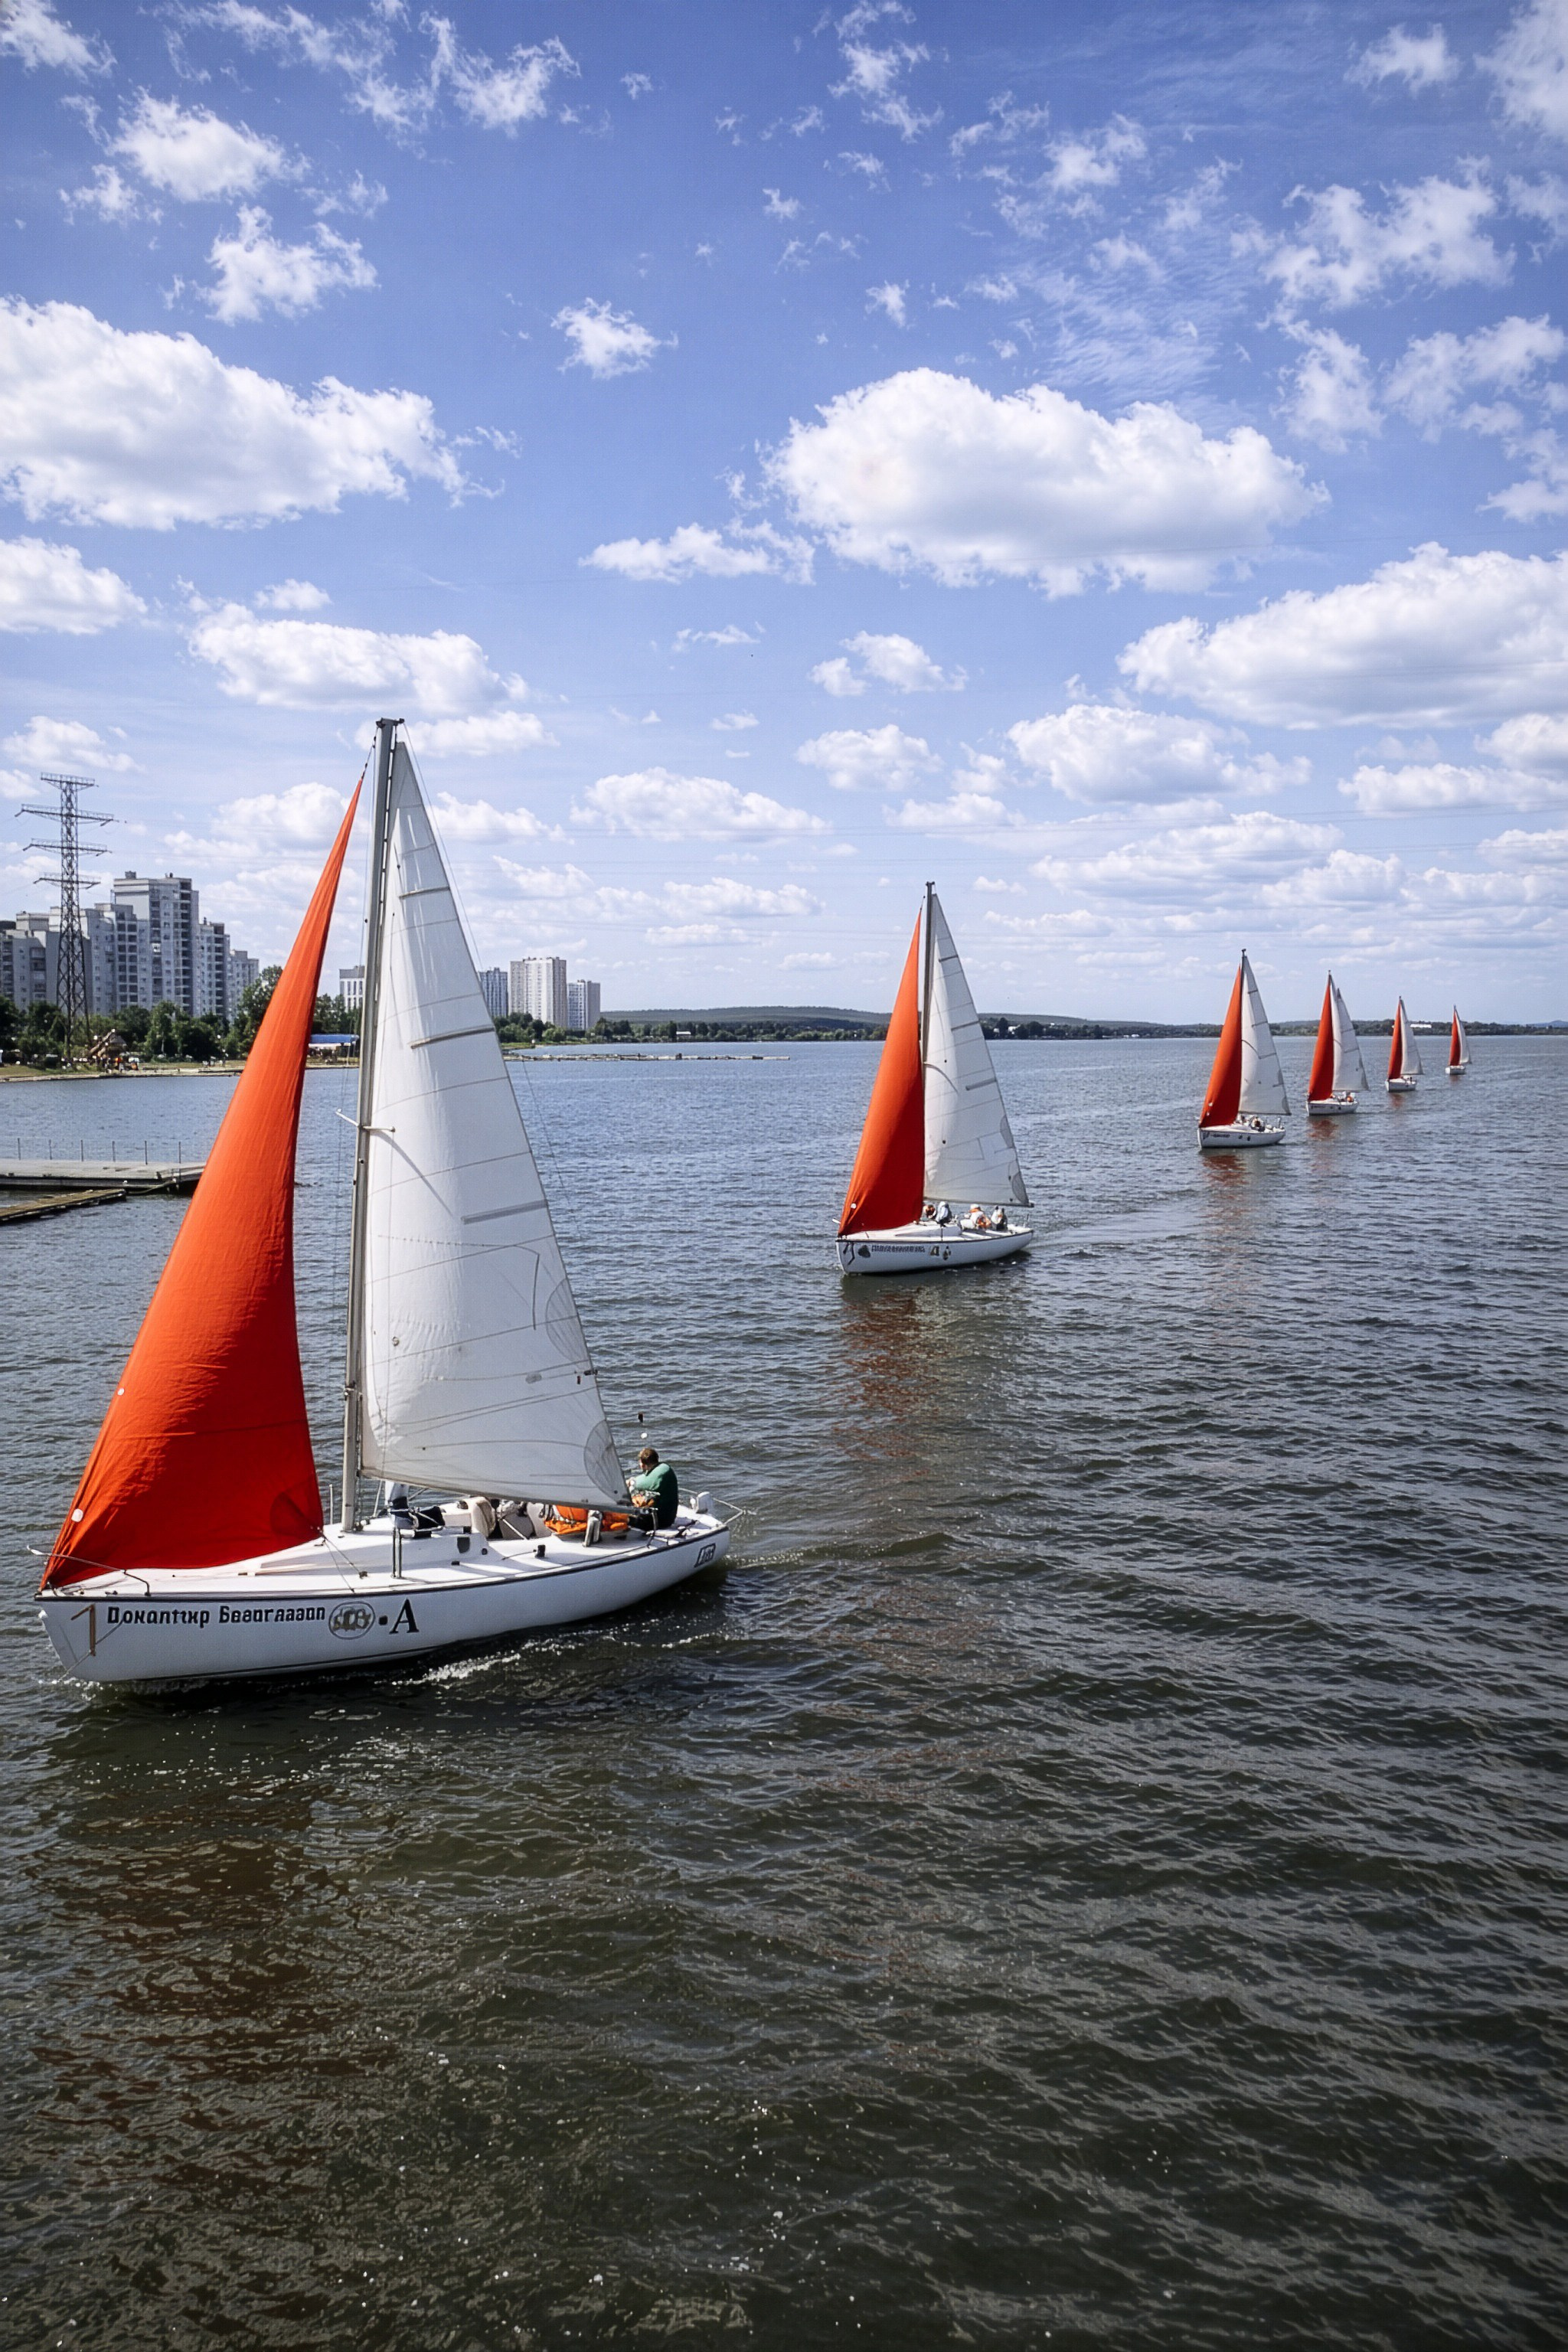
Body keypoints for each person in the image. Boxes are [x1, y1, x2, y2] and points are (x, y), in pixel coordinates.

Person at [629, 1445, 678, 1527]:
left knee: (621, 1518)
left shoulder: (660, 1473)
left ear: (644, 1465)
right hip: (668, 1517)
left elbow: (640, 1483)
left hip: (660, 1521)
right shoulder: (663, 1467)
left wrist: (631, 1482)